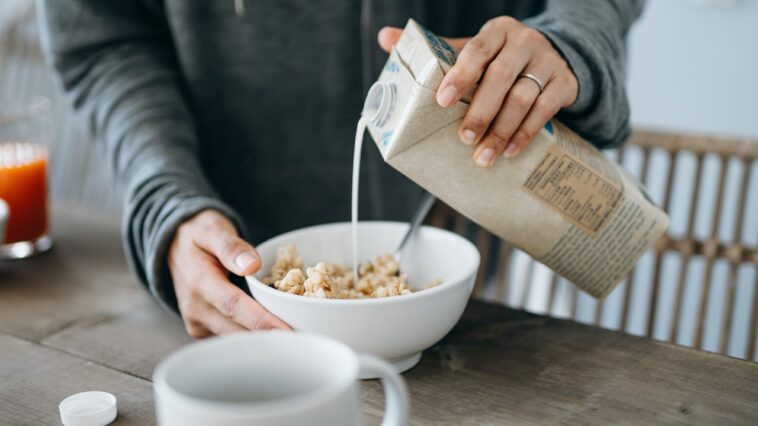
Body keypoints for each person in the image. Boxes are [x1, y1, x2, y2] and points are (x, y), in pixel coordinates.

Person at [40, 0, 644, 337]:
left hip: (465, 275)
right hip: (230, 282)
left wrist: (570, 40)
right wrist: (167, 199)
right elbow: (102, 36)